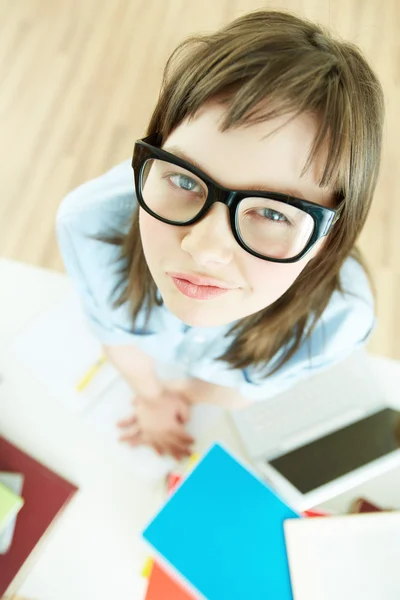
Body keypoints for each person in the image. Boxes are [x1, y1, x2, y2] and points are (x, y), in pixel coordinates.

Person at [56, 10, 384, 461]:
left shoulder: (337, 322)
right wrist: (153, 398)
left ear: (328, 235)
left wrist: (182, 394)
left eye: (271, 212)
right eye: (186, 179)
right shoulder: (90, 227)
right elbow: (113, 334)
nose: (203, 249)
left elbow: (243, 390)